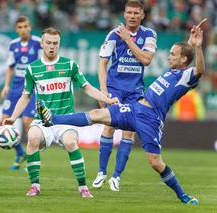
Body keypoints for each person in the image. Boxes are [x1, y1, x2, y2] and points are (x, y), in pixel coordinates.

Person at [38, 19, 206, 204]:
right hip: (136, 108)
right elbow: (186, 55)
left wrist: (197, 47)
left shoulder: (186, 76)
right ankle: (53, 119)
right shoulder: (174, 70)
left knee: (155, 163)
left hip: (150, 120)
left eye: (173, 54)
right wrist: (190, 44)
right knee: (97, 115)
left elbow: (199, 69)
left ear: (183, 60)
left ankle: (182, 195)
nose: (168, 57)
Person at [3, 27, 113, 198]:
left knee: (71, 143)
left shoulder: (69, 65)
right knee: (32, 138)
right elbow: (25, 97)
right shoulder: (33, 68)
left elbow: (87, 88)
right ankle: (34, 186)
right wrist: (12, 117)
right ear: (42, 43)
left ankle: (83, 187)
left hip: (66, 120)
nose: (52, 46)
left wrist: (107, 100)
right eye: (48, 43)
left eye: (55, 43)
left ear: (59, 44)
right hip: (43, 120)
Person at [94, 0, 157, 191]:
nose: (132, 16)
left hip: (135, 91)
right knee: (109, 128)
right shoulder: (113, 34)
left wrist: (128, 39)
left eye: (136, 13)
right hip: (115, 89)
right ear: (124, 14)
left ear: (142, 15)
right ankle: (101, 172)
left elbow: (146, 60)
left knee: (129, 132)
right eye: (129, 13)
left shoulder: (149, 35)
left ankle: (116, 176)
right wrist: (103, 91)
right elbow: (102, 64)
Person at [1, 16, 41, 171]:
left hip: (32, 86)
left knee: (27, 122)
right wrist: (6, 86)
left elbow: (42, 64)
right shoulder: (13, 45)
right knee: (4, 121)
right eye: (20, 27)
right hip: (16, 86)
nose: (23, 29)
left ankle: (32, 159)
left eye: (25, 26)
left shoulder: (38, 43)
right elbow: (10, 67)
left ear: (30, 27)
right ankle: (20, 154)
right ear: (16, 29)